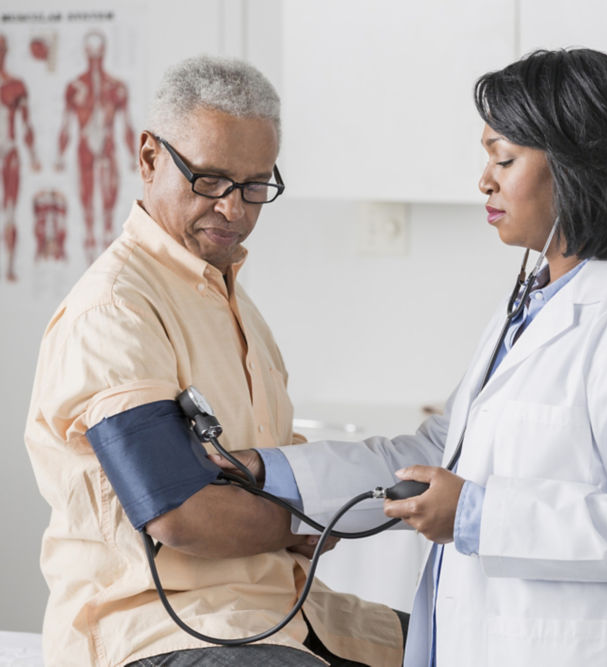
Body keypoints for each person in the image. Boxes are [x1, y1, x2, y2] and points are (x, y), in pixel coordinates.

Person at [223, 48, 607, 666]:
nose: (484, 179)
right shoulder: (527, 307)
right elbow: (436, 455)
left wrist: (476, 514)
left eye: (504, 157)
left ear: (578, 166)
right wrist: (266, 473)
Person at [25, 56, 404, 667]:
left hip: (284, 609)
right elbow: (180, 513)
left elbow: (281, 466)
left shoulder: (228, 298)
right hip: (165, 630)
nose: (236, 210)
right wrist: (303, 525)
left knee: (463, 636)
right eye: (210, 181)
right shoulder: (115, 310)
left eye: (256, 185)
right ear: (149, 157)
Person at [55, 29, 136, 264]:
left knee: (110, 196)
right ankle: (90, 245)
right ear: (85, 53)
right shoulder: (75, 87)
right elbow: (66, 124)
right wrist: (60, 155)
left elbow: (127, 124)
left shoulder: (117, 87)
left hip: (108, 146)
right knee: (87, 197)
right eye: (92, 53)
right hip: (85, 147)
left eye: (98, 53)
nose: (95, 58)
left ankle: (109, 242)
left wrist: (133, 155)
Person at [0, 32, 42, 281]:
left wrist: (34, 156)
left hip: (10, 153)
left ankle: (9, 266)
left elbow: (27, 125)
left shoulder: (16, 86)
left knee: (11, 210)